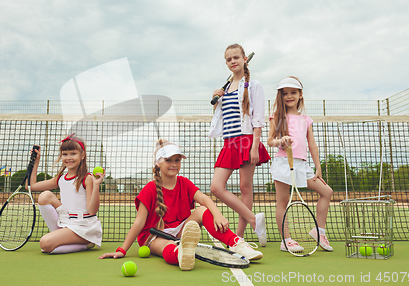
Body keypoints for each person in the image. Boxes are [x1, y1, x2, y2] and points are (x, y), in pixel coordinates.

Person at [99, 139, 263, 270]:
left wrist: (217, 215)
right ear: (158, 163)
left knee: (203, 210)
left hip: (180, 230)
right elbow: (139, 223)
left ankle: (237, 245)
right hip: (154, 236)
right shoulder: (149, 189)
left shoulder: (184, 183)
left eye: (177, 160)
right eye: (168, 160)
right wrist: (122, 250)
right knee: (168, 246)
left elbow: (205, 199)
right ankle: (181, 255)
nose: (174, 164)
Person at [208, 43, 270, 246]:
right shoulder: (224, 89)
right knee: (216, 187)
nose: (232, 61)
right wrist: (217, 100)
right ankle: (254, 219)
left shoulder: (254, 85)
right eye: (228, 59)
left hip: (246, 141)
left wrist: (254, 146)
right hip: (229, 142)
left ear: (245, 59)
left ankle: (239, 237)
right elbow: (221, 118)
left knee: (245, 188)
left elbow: (258, 119)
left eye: (236, 57)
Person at [267, 76, 334, 252]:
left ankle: (319, 232)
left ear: (300, 95)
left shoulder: (306, 119)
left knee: (327, 192)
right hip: (283, 163)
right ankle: (286, 240)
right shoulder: (277, 117)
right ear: (280, 96)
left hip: (303, 166)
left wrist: (318, 168)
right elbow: (269, 141)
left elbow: (312, 144)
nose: (289, 96)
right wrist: (281, 140)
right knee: (282, 201)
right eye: (285, 93)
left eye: (293, 93)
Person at [27, 134, 105, 254]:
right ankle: (61, 237)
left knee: (45, 244)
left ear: (82, 155)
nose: (68, 157)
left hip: (84, 226)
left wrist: (96, 186)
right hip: (67, 222)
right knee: (44, 196)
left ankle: (86, 243)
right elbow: (31, 186)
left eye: (73, 153)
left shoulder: (87, 178)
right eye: (65, 154)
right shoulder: (60, 179)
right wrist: (36, 161)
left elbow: (92, 211)